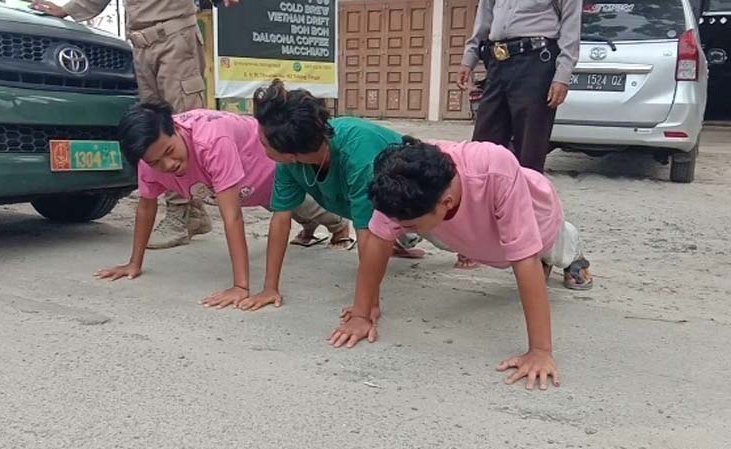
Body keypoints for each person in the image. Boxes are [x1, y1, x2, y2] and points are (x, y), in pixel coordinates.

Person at [330, 138, 593, 391]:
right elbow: (378, 240)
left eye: (407, 226)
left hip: (536, 217)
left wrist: (540, 351)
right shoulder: (404, 180)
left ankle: (572, 249)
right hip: (471, 232)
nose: (400, 229)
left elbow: (524, 259)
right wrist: (362, 314)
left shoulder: (494, 167)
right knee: (459, 240)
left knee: (550, 249)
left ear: (446, 203)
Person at [31, 0, 241, 250]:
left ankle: (180, 214)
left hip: (175, 35)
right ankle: (191, 212)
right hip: (140, 44)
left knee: (180, 126)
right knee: (152, 130)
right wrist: (68, 10)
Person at [96, 103, 350, 308]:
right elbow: (146, 206)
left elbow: (232, 218)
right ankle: (310, 230)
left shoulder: (212, 141)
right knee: (278, 207)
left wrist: (241, 287)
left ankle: (339, 227)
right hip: (239, 189)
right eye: (155, 161)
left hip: (267, 168)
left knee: (305, 203)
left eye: (169, 151)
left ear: (176, 128)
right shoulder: (149, 161)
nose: (167, 165)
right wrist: (134, 263)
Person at [237, 80, 423, 315]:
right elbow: (281, 219)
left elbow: (367, 235)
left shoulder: (357, 154)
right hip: (385, 213)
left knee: (454, 238)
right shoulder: (288, 164)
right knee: (388, 232)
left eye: (263, 143)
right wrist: (269, 289)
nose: (258, 144)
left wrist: (365, 309)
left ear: (291, 153)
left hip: (423, 200)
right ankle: (402, 236)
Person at [458, 0, 582, 173]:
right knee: (483, 146)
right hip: (497, 63)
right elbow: (484, 19)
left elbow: (571, 29)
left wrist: (562, 76)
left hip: (536, 63)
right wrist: (469, 58)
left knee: (529, 149)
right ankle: (484, 197)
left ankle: (527, 197)